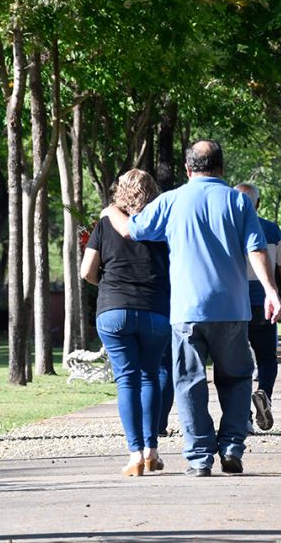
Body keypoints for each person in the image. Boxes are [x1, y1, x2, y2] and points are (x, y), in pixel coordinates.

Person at [102, 140, 281, 477]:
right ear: (221, 168)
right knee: (237, 378)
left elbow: (131, 229)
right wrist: (271, 291)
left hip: (186, 310)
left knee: (188, 382)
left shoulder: (171, 201)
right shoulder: (238, 202)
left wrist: (111, 209)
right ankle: (231, 448)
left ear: (187, 169)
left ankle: (199, 458)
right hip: (232, 309)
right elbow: (257, 249)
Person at [80, 170, 171, 477]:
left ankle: (134, 454)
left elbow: (86, 271)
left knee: (127, 379)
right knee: (150, 377)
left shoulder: (106, 222)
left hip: (113, 310)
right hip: (156, 310)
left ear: (119, 191)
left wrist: (107, 285)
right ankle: (151, 451)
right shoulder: (163, 223)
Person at [234, 182, 281, 431]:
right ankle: (264, 393)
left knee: (237, 362)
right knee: (267, 356)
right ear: (258, 203)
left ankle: (243, 417)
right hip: (264, 302)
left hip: (233, 304)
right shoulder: (270, 229)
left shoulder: (226, 230)